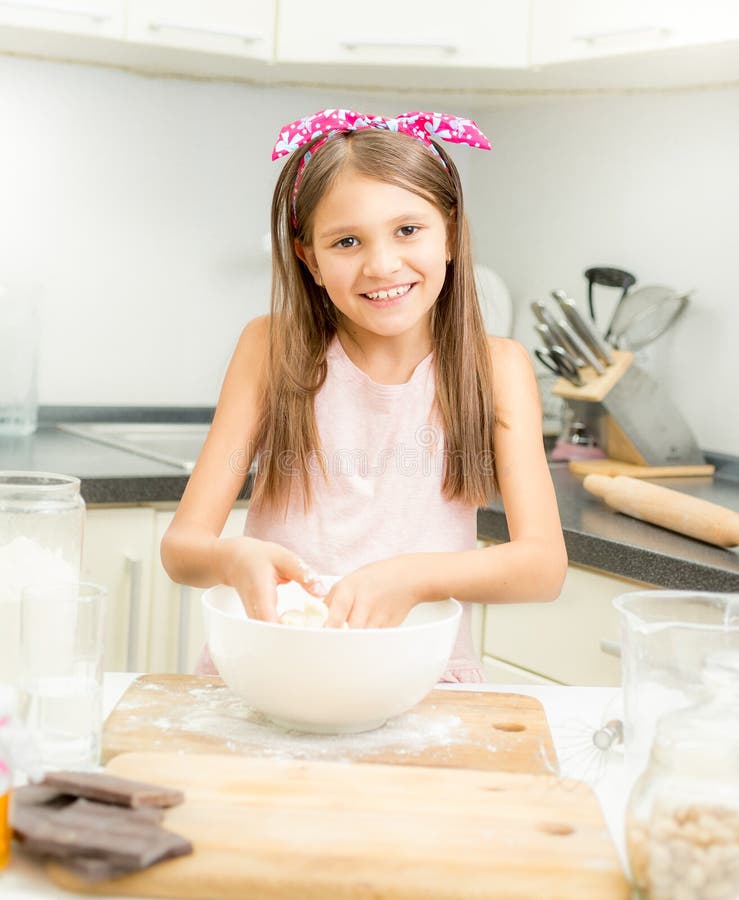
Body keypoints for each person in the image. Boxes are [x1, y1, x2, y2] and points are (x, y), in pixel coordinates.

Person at [160, 109, 567, 683]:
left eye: (408, 230)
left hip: (422, 682)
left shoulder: (497, 368)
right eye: (347, 241)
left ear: (449, 233)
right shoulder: (270, 348)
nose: (381, 264)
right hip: (273, 669)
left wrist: (412, 576)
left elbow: (543, 568)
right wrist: (234, 556)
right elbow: (182, 549)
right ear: (310, 260)